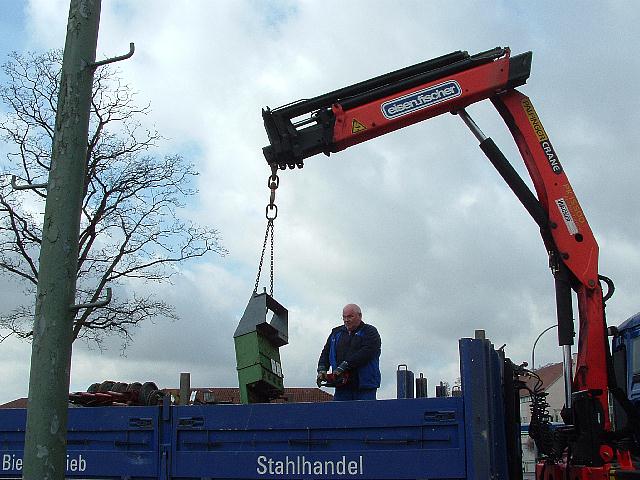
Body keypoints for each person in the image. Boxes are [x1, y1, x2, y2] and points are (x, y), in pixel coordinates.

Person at [316, 303, 381, 401]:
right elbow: (326, 353)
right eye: (344, 317)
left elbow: (366, 353)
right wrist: (322, 369)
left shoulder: (370, 332)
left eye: (350, 316)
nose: (346, 320)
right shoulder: (336, 333)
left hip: (364, 387)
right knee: (340, 415)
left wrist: (344, 366)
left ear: (360, 316)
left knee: (365, 415)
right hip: (342, 387)